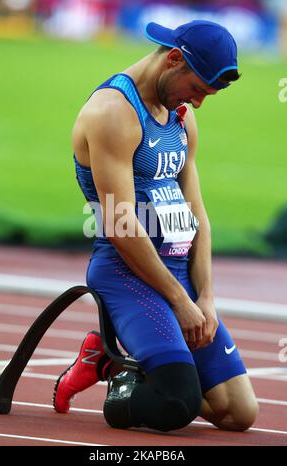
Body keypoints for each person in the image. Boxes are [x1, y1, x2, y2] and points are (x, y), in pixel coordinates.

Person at [53, 20, 259, 432]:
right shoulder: (113, 112)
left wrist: (205, 297)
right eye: (197, 89)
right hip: (127, 273)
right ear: (174, 59)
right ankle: (115, 368)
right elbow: (121, 223)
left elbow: (197, 212)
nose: (198, 103)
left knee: (240, 412)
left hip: (179, 270)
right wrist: (179, 301)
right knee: (174, 404)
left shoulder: (181, 116)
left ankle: (120, 358)